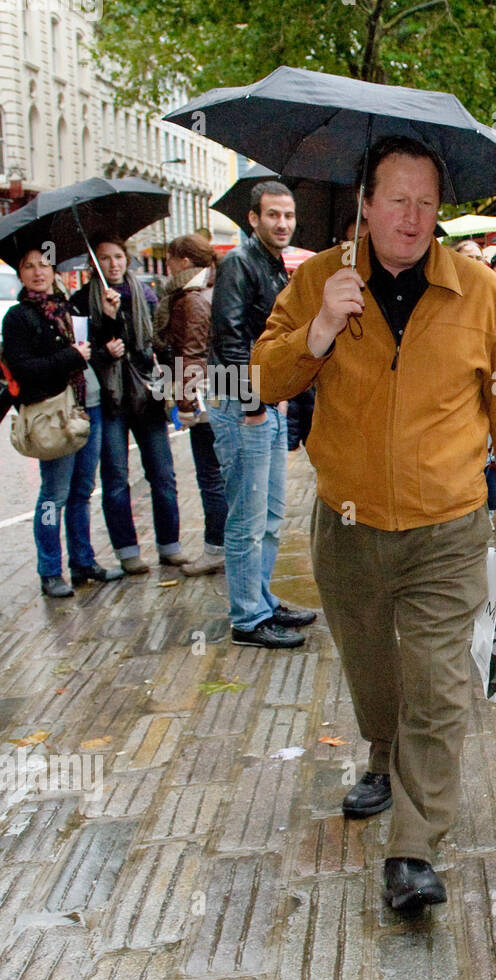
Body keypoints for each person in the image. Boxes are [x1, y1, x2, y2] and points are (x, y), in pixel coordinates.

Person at [254, 135, 496, 913]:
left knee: (438, 683)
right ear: (366, 203)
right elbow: (263, 376)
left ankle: (415, 847)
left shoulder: (478, 292)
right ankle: (381, 752)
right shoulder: (321, 277)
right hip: (346, 525)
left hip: (445, 528)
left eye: (427, 202)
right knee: (372, 672)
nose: (414, 218)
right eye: (398, 200)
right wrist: (318, 329)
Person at [208, 180, 316, 649]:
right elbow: (228, 338)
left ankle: (263, 601)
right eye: (273, 215)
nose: (283, 223)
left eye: (289, 216)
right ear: (253, 218)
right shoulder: (238, 262)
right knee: (246, 520)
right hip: (242, 406)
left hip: (265, 404)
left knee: (270, 516)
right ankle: (247, 619)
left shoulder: (274, 265)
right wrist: (252, 403)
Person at [3, 248, 122, 596]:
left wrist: (111, 320)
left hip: (87, 408)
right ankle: (50, 569)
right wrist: (68, 356)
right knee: (53, 495)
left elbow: (90, 354)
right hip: (52, 414)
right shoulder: (18, 317)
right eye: (29, 266)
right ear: (21, 274)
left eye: (44, 264)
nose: (38, 272)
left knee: (82, 492)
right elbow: (24, 368)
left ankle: (83, 561)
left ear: (54, 270)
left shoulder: (68, 308)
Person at [70, 238, 191, 575]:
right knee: (115, 478)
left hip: (146, 396)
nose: (113, 264)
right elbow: (83, 351)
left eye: (119, 257)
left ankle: (170, 546)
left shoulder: (145, 295)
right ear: (95, 265)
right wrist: (106, 325)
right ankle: (128, 551)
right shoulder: (81, 302)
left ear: (127, 259)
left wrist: (175, 382)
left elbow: (156, 344)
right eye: (105, 258)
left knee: (163, 474)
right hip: (109, 401)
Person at [154, 234, 225, 577]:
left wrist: (185, 403)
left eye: (170, 260)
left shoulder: (193, 298)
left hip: (205, 399)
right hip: (218, 392)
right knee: (218, 475)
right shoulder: (207, 288)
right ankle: (222, 544)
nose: (167, 267)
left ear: (184, 261)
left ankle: (216, 547)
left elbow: (191, 355)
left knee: (211, 476)